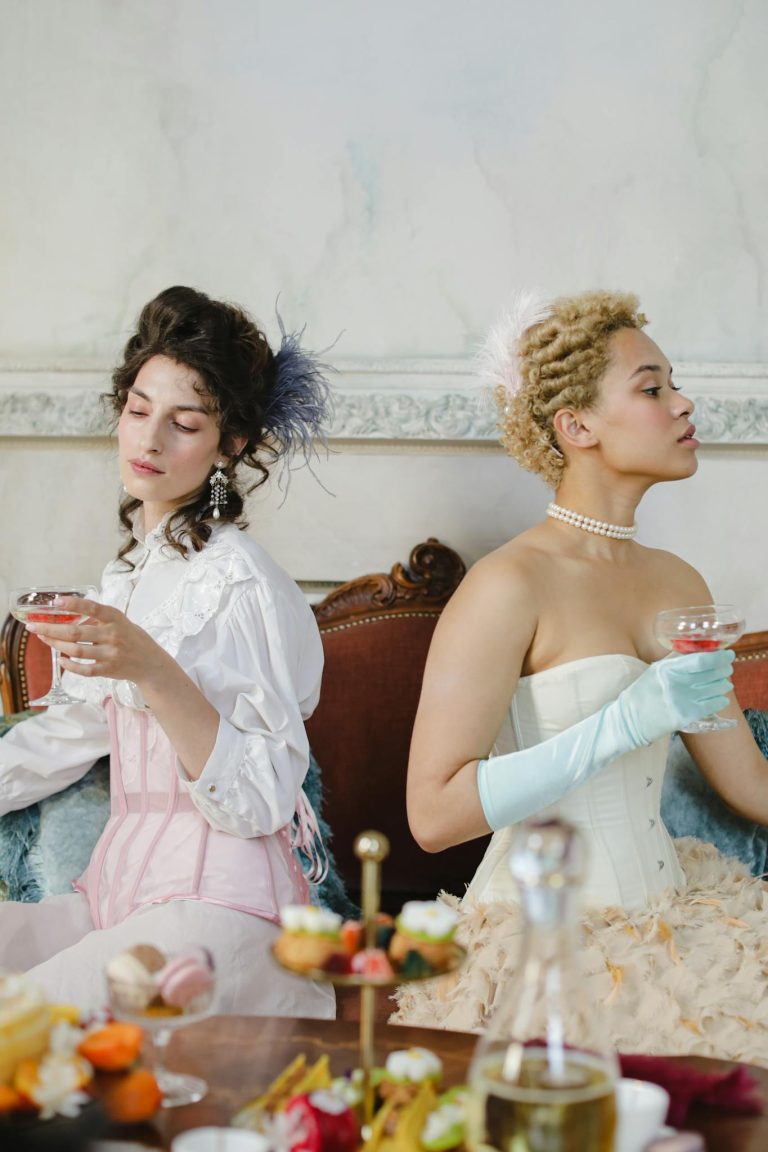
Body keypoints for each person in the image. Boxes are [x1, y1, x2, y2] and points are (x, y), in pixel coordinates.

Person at [392, 290, 768, 1062]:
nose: (683, 401)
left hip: (675, 913)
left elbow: (751, 787)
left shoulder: (679, 583)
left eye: (674, 383)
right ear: (577, 426)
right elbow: (433, 816)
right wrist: (624, 722)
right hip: (540, 937)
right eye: (653, 387)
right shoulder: (508, 585)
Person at [0, 285, 336, 1018]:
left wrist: (150, 665)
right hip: (116, 900)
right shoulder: (130, 578)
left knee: (16, 1026)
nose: (149, 441)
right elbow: (70, 734)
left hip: (221, 916)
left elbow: (262, 800)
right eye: (138, 411)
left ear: (232, 444)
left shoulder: (242, 584)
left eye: (183, 424)